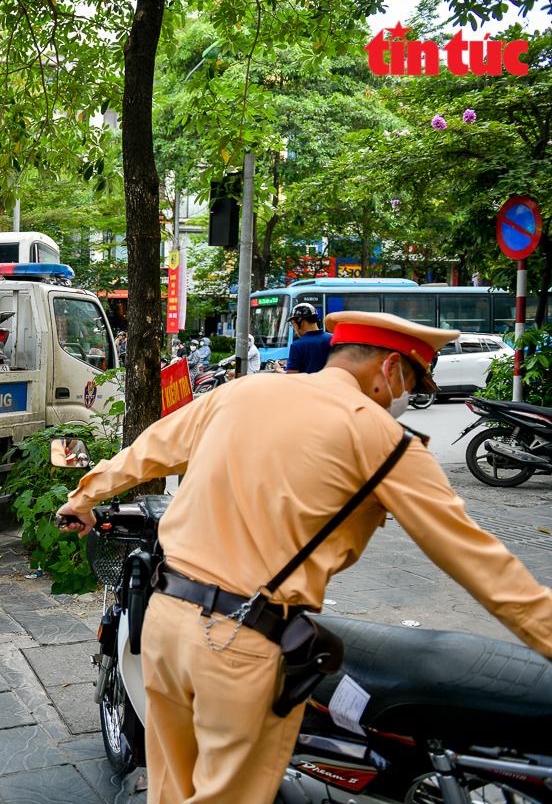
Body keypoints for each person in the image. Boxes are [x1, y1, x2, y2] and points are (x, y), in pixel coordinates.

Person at [55, 310, 552, 804]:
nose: (411, 396)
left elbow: (150, 450)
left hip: (164, 625)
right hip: (239, 644)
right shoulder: (386, 442)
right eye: (417, 381)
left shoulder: (243, 392)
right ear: (390, 370)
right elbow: (484, 566)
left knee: (170, 790)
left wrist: (83, 497)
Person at [285, 302, 332, 374]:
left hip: (308, 385)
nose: (293, 328)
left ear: (301, 321)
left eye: (292, 323)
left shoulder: (297, 346)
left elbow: (292, 376)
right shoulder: (333, 339)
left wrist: (279, 370)